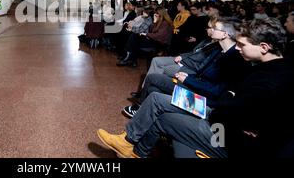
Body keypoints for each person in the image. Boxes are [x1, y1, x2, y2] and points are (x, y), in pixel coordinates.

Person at [97, 18, 293, 158]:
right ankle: (129, 143)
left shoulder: (271, 79)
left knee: (165, 116)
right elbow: (230, 98)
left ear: (265, 47)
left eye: (242, 45)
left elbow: (229, 108)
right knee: (158, 99)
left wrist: (228, 99)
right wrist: (229, 98)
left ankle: (134, 149)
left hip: (224, 131)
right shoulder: (266, 66)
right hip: (217, 113)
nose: (238, 48)